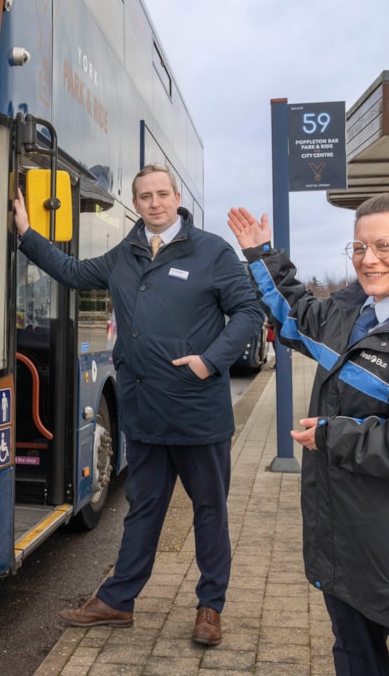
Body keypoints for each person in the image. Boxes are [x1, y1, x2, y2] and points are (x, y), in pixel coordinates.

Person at [227, 194, 389, 676]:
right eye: (359, 247)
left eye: (384, 245)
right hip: (344, 536)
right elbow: (296, 316)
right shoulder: (353, 314)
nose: (368, 259)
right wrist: (261, 253)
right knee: (352, 655)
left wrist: (335, 436)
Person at [15, 163, 264, 646]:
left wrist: (210, 362)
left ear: (176, 198)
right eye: (145, 196)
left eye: (162, 194)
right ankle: (117, 601)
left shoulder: (212, 251)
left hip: (197, 413)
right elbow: (72, 272)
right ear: (137, 203)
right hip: (145, 411)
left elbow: (250, 311)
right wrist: (27, 234)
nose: (155, 202)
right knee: (142, 508)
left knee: (209, 510)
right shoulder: (125, 253)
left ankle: (210, 607)